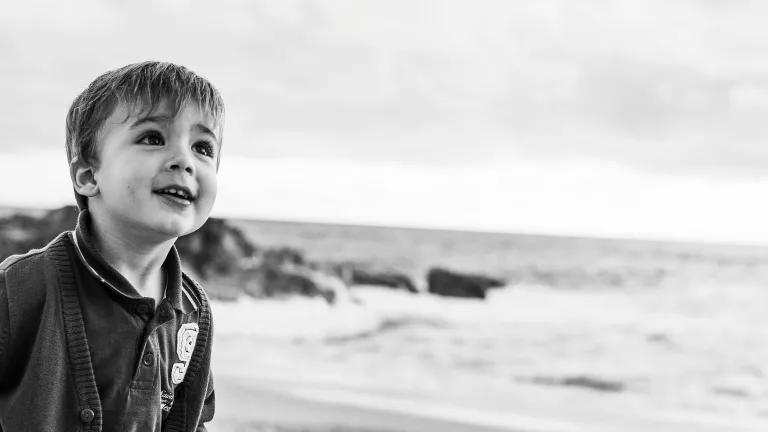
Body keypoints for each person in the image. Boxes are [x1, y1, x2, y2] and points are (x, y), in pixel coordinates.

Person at [0, 61, 224, 431]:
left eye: (202, 147)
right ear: (89, 175)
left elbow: (191, 420)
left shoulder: (193, 311)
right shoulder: (19, 288)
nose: (185, 161)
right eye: (153, 138)